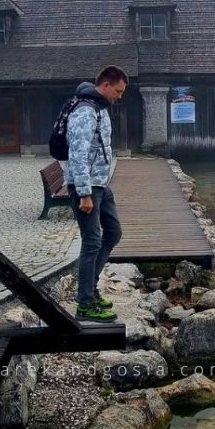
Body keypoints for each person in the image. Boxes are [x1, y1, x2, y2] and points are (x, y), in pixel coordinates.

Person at [65, 65, 129, 320]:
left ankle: (89, 290)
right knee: (91, 242)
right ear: (105, 85)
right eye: (119, 90)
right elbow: (77, 155)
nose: (120, 96)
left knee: (113, 232)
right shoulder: (85, 111)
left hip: (100, 184)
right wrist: (84, 193)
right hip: (87, 187)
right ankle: (85, 303)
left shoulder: (99, 109)